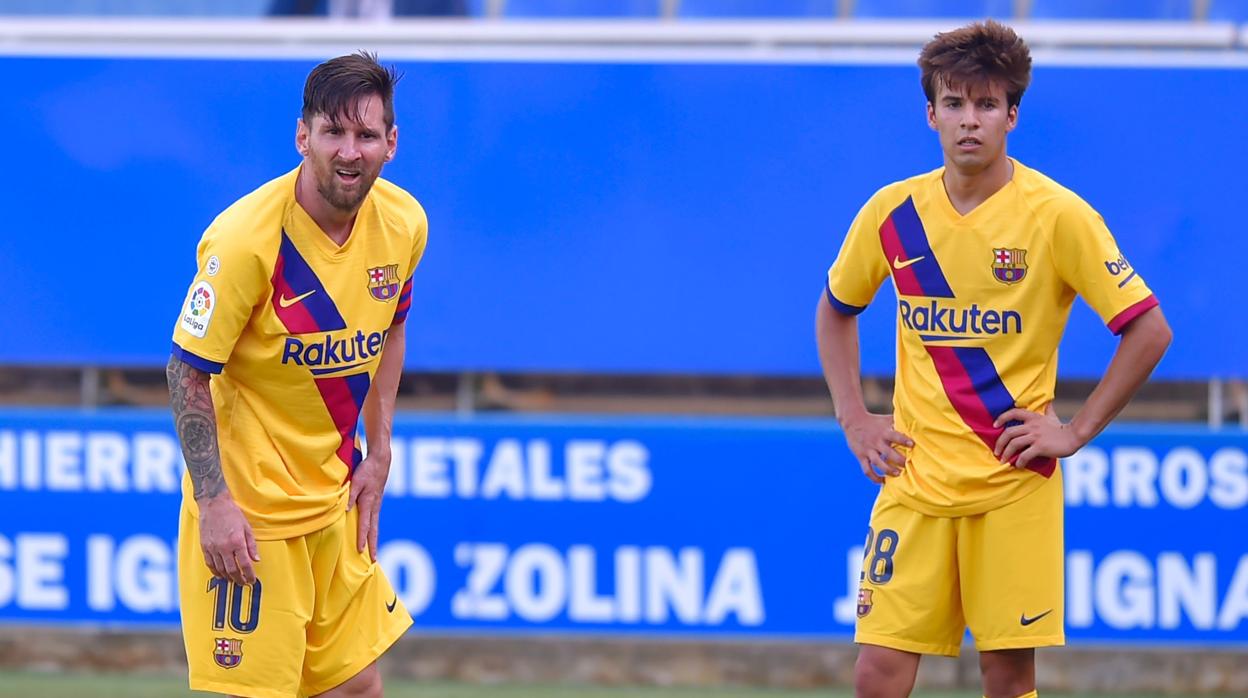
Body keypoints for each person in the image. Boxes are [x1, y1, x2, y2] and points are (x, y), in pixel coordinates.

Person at [815, 20, 1171, 698]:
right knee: (876, 676)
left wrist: (1074, 431)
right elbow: (836, 310)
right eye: (954, 104)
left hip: (1013, 486)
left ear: (1013, 114)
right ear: (930, 114)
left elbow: (1149, 329)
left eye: (985, 105)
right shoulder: (894, 214)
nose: (969, 121)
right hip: (913, 484)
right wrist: (855, 418)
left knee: (1007, 680)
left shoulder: (1057, 216)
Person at [166, 51, 425, 698]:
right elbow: (185, 373)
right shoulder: (245, 240)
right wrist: (215, 503)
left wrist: (380, 449)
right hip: (252, 522)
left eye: (366, 135)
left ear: (391, 144)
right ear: (301, 135)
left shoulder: (404, 224)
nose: (349, 151)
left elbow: (391, 326)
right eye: (333, 132)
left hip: (333, 506)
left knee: (356, 687)